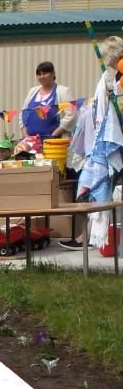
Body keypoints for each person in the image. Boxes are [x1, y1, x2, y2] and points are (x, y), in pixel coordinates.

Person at [64, 36, 123, 250]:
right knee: (100, 190)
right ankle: (88, 236)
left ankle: (87, 237)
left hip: (113, 144)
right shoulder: (112, 78)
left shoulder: (117, 76)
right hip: (110, 143)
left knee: (101, 187)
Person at [21, 61, 75, 142]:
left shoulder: (63, 91)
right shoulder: (32, 91)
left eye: (45, 73)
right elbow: (23, 114)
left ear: (53, 74)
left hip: (55, 142)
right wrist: (26, 136)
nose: (41, 77)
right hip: (32, 143)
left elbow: (72, 115)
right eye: (39, 74)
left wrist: (54, 134)